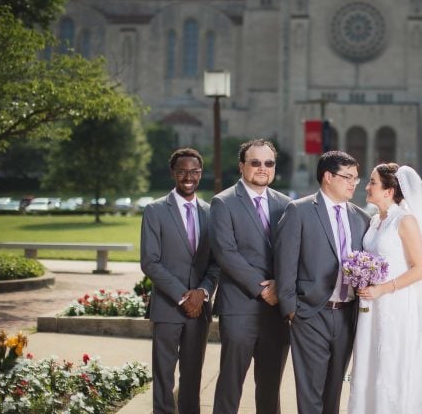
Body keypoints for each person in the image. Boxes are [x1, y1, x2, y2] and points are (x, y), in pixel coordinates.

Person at [348, 164, 422, 413]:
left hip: (396, 303)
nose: (367, 186)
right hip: (371, 305)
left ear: (388, 191)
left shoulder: (404, 221)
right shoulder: (375, 220)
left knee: (394, 364)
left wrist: (383, 289)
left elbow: (420, 269)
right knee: (370, 362)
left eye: (372, 182)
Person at [274, 150, 371, 414]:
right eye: (347, 177)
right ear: (328, 176)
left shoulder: (361, 218)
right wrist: (291, 308)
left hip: (348, 315)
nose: (353, 183)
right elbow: (285, 263)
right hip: (310, 313)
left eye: (356, 178)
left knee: (334, 391)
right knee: (310, 392)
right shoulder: (300, 210)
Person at [210, 139, 291, 414]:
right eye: (255, 162)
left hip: (277, 310)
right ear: (242, 165)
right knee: (231, 383)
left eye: (268, 163)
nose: (262, 168)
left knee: (270, 386)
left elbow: (292, 252)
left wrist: (281, 287)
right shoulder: (223, 202)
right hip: (239, 306)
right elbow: (226, 253)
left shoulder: (286, 204)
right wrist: (263, 289)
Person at [140, 148, 219, 414]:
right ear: (173, 173)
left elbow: (215, 263)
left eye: (194, 171)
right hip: (167, 307)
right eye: (183, 171)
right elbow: (150, 262)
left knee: (192, 376)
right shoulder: (155, 210)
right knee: (163, 377)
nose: (188, 176)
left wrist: (202, 293)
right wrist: (184, 296)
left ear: (200, 174)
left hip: (200, 310)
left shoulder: (211, 213)